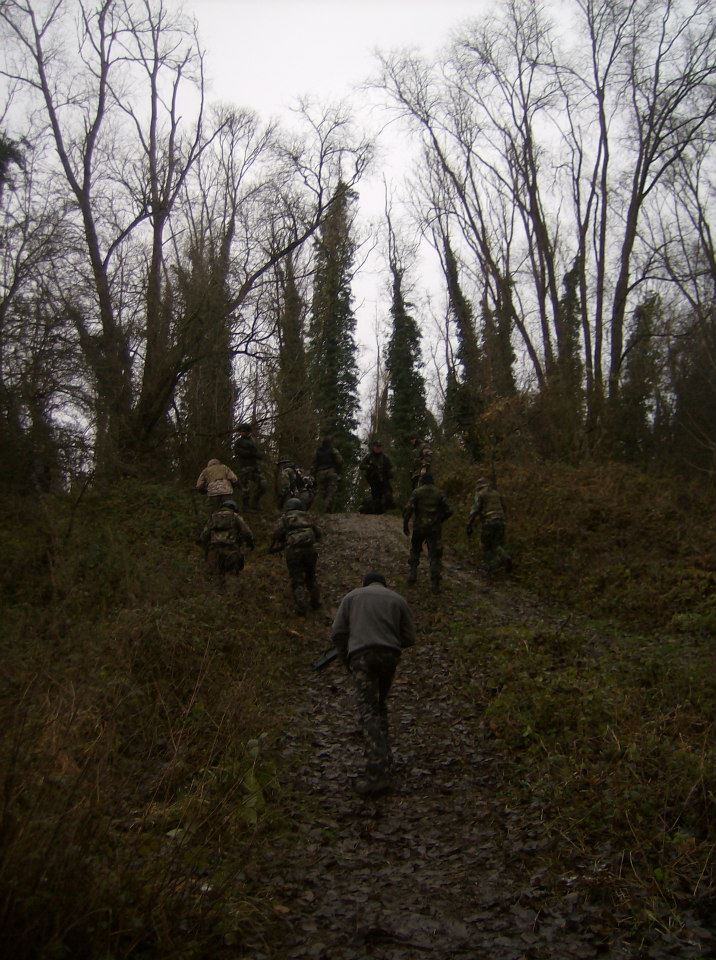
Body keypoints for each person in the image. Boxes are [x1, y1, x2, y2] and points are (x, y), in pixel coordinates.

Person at [330, 572, 416, 797]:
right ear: (384, 585)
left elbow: (338, 632)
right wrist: (390, 642)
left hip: (361, 657)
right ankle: (385, 758)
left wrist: (346, 660)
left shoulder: (351, 597)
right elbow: (410, 638)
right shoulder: (397, 599)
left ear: (365, 584)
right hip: (389, 657)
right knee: (379, 705)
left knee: (368, 711)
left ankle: (377, 775)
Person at [269, 497, 322, 614]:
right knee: (311, 576)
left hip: (294, 551)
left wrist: (278, 543)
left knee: (297, 580)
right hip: (310, 550)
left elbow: (276, 533)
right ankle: (316, 602)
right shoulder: (307, 516)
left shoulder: (285, 518)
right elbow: (318, 532)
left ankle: (302, 607)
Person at [403, 473, 453, 594]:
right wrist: (440, 519)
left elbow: (409, 508)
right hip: (434, 529)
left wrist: (405, 524)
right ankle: (435, 583)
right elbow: (449, 510)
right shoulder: (439, 493)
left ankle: (412, 574)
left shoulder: (417, 492)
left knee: (415, 550)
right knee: (435, 555)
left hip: (419, 527)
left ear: (422, 481)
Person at [200, 499, 255, 589]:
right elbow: (247, 533)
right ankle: (231, 599)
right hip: (231, 550)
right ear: (234, 508)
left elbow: (204, 535)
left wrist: (206, 548)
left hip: (214, 551)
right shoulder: (235, 516)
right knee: (231, 576)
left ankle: (216, 599)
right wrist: (251, 544)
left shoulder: (213, 516)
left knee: (214, 577)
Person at [467, 477, 512, 573]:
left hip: (489, 522)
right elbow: (504, 507)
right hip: (501, 521)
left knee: (485, 545)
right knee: (497, 545)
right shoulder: (496, 493)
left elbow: (475, 511)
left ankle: (490, 567)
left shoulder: (480, 494)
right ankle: (504, 558)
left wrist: (470, 524)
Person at [233, 423, 267, 511]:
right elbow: (239, 452)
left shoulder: (253, 441)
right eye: (241, 431)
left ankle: (255, 503)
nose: (242, 433)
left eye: (244, 431)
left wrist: (256, 454)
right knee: (245, 487)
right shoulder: (239, 442)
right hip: (244, 467)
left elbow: (260, 453)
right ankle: (245, 506)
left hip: (255, 466)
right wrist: (251, 453)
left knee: (263, 484)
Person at [360, 439, 394, 513]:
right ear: (373, 447)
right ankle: (375, 511)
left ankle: (387, 511)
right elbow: (361, 466)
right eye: (376, 446)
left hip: (384, 480)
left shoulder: (385, 457)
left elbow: (390, 468)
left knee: (388, 495)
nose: (378, 448)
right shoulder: (369, 456)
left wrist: (389, 473)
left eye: (379, 447)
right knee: (376, 498)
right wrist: (369, 467)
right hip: (373, 480)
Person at [312, 436, 343, 512]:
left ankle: (316, 510)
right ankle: (326, 510)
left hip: (320, 473)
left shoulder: (317, 451)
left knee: (320, 492)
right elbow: (340, 461)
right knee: (330, 492)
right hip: (331, 472)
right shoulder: (333, 450)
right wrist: (337, 470)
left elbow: (314, 464)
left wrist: (313, 473)